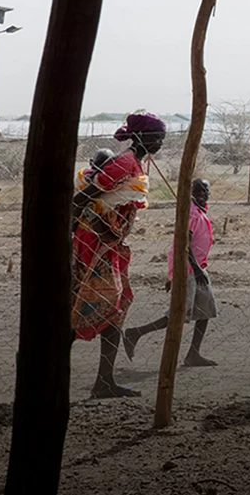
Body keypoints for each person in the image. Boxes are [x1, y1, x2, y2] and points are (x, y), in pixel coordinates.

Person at [73, 112, 167, 399]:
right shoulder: (124, 164)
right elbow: (82, 199)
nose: (161, 141)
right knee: (92, 305)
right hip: (94, 244)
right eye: (157, 136)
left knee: (116, 306)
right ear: (140, 137)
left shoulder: (132, 164)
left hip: (108, 246)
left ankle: (104, 381)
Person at [122, 178, 219, 368]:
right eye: (198, 191)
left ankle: (194, 354)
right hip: (189, 270)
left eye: (205, 191)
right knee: (178, 314)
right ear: (191, 192)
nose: (202, 194)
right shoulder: (190, 214)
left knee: (205, 310)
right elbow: (183, 244)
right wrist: (185, 273)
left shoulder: (199, 211)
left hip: (197, 268)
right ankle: (135, 333)